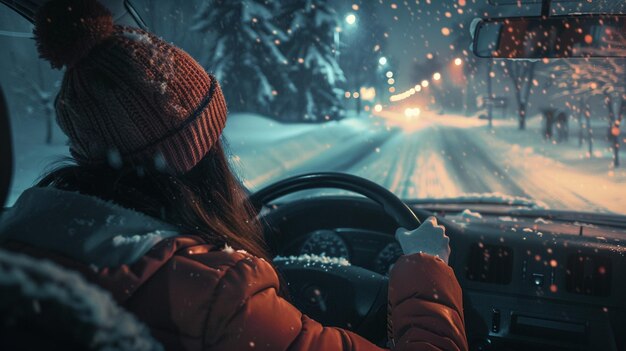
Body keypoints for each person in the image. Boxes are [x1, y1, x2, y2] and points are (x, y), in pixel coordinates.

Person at [0, 0, 468, 350]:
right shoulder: (219, 295)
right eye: (213, 139)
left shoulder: (16, 246)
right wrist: (427, 272)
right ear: (194, 158)